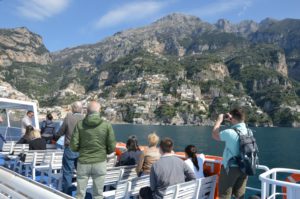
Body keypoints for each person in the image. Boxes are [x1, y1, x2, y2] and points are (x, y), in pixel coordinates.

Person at [70, 101, 116, 199]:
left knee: (80, 194)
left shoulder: (80, 125)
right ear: (99, 111)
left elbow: (73, 146)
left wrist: (81, 150)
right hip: (100, 162)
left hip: (83, 162)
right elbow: (112, 147)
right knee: (98, 194)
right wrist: (104, 152)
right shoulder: (106, 125)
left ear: (87, 111)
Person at [212, 108, 248, 199]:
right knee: (239, 196)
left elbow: (214, 135)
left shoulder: (230, 132)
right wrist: (231, 118)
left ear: (233, 119)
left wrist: (219, 120)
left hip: (230, 169)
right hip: (245, 167)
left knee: (224, 195)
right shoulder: (249, 132)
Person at [56, 101, 84, 195]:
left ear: (74, 108)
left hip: (70, 149)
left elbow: (61, 131)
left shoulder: (69, 117)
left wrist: (54, 138)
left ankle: (66, 195)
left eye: (72, 107)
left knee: (68, 173)